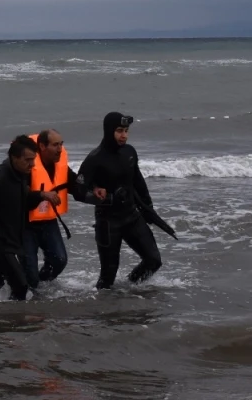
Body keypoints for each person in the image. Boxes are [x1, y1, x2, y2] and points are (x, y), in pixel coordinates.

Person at [74, 112, 177, 289]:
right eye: (119, 131)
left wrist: (149, 208)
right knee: (107, 278)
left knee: (154, 261)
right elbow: (78, 191)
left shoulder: (129, 152)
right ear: (108, 131)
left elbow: (138, 181)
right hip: (108, 222)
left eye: (126, 131)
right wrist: (104, 198)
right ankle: (104, 310)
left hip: (132, 217)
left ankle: (128, 291)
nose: (124, 135)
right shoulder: (95, 159)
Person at [0, 135, 61, 301]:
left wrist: (41, 195)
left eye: (33, 159)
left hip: (12, 236)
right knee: (21, 287)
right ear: (14, 158)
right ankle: (15, 323)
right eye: (28, 160)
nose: (33, 164)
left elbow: (23, 199)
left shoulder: (20, 172)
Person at [25, 129, 74, 288]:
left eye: (61, 144)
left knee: (59, 260)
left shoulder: (60, 163)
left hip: (47, 220)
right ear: (42, 146)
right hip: (25, 223)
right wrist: (41, 195)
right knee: (29, 274)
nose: (60, 149)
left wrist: (94, 189)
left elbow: (76, 185)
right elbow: (19, 197)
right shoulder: (27, 164)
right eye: (55, 145)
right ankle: (23, 290)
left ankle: (39, 289)